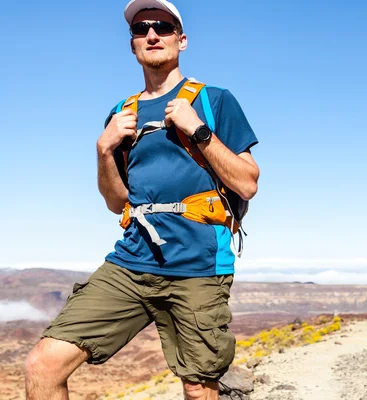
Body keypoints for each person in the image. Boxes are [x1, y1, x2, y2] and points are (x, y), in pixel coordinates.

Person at [24, 0, 259, 399]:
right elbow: (117, 203)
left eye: (163, 27)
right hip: (132, 261)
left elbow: (247, 183)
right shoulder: (121, 114)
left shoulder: (214, 100)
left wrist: (198, 130)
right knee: (43, 363)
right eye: (141, 28)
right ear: (133, 44)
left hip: (198, 264)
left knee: (199, 387)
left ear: (181, 40)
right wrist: (103, 148)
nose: (152, 34)